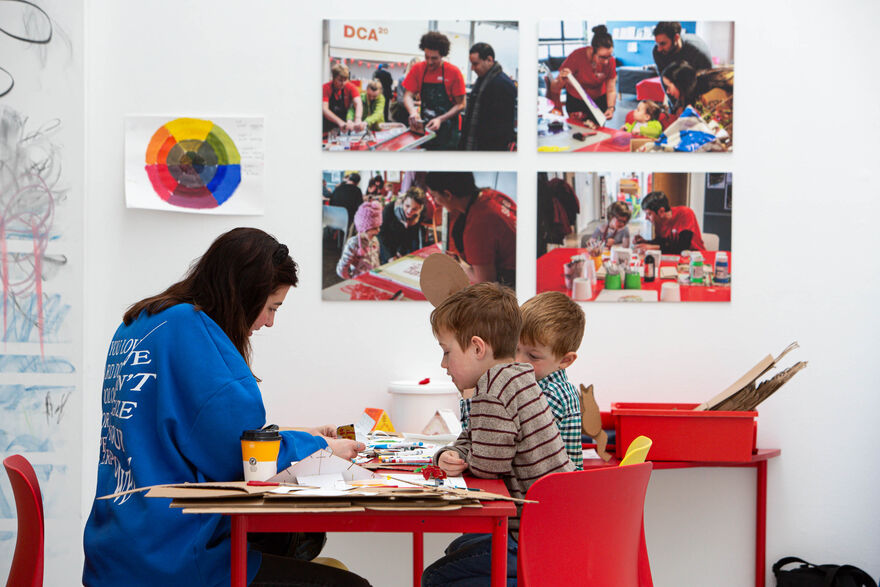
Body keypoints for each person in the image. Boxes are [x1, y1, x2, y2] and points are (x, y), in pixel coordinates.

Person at [83, 228, 368, 587]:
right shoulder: (191, 335)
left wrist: (303, 436)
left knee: (297, 550)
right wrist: (322, 448)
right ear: (245, 296)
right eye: (271, 307)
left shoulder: (142, 322)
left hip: (117, 548)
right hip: (173, 561)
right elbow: (243, 461)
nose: (269, 322)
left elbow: (189, 429)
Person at [421, 283, 575, 587]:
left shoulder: (495, 390)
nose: (443, 364)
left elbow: (491, 466)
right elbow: (474, 437)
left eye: (446, 351)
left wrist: (464, 458)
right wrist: (453, 454)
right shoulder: (515, 377)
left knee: (434, 577)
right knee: (458, 549)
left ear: (478, 348)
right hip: (553, 528)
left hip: (531, 539)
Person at [517, 291, 586, 470]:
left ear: (565, 361)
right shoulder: (536, 384)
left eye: (533, 356)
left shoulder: (551, 393)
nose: (518, 361)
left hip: (551, 491)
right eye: (514, 348)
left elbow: (514, 442)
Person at [424, 171, 516, 288]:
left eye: (434, 196)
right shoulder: (491, 194)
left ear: (448, 195)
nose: (436, 202)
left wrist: (458, 265)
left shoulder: (478, 223)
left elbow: (485, 281)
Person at [402, 31, 466, 150]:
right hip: (426, 129)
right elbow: (407, 96)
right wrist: (412, 111)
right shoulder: (418, 69)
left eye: (434, 58)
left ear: (442, 55)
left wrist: (440, 119)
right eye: (427, 57)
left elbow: (461, 104)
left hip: (449, 131)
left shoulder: (453, 72)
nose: (430, 62)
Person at [549, 24, 617, 127]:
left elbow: (611, 89)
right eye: (602, 57)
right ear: (592, 50)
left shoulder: (610, 62)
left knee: (597, 132)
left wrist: (611, 108)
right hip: (577, 101)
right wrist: (560, 80)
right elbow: (554, 88)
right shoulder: (577, 56)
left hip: (598, 102)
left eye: (609, 56)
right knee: (578, 131)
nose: (606, 61)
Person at [459, 42, 517, 151]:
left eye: (475, 64)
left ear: (489, 60)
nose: (472, 68)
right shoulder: (483, 79)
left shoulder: (503, 84)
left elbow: (503, 127)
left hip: (489, 148)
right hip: (478, 143)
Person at [634, 190, 706, 253]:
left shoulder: (685, 213)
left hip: (695, 258)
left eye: (649, 214)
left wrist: (652, 247)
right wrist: (645, 242)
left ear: (661, 211)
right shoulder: (659, 222)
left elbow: (682, 248)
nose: (646, 218)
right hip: (674, 259)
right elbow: (662, 244)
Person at [378, 186, 427, 263]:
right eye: (407, 206)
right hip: (387, 244)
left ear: (420, 208)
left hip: (404, 242)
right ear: (403, 201)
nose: (409, 211)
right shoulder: (389, 209)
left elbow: (411, 234)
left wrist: (400, 251)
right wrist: (390, 256)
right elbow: (381, 234)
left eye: (415, 209)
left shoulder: (419, 214)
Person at [337, 200, 383, 279]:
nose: (378, 230)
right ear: (363, 229)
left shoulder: (375, 240)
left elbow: (377, 260)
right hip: (360, 282)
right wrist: (351, 279)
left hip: (374, 279)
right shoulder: (353, 243)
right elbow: (342, 268)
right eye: (374, 228)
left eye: (379, 226)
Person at [322, 64, 363, 133]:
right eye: (340, 80)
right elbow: (324, 109)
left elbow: (358, 103)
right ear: (333, 78)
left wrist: (358, 119)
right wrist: (339, 122)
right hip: (327, 125)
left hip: (344, 125)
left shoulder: (351, 87)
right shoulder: (325, 88)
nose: (343, 83)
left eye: (345, 80)